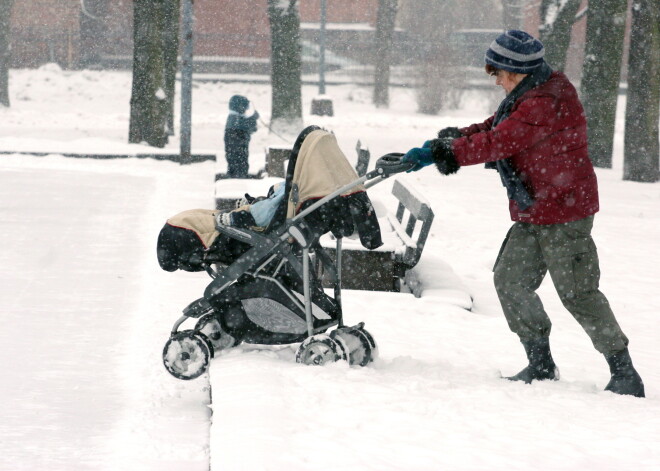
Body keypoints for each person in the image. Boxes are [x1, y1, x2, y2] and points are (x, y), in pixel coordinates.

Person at [402, 30, 644, 398]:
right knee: (510, 280)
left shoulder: (547, 100)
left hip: (564, 209)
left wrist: (446, 153)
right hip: (536, 207)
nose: (495, 79)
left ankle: (624, 372)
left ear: (515, 70)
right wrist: (439, 146)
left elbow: (500, 141)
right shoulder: (528, 93)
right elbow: (492, 128)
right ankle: (541, 363)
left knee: (578, 293)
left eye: (497, 71)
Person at [224, 94, 259, 178]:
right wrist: (254, 118)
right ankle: (238, 174)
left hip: (236, 145)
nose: (246, 109)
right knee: (238, 158)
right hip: (238, 145)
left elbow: (247, 126)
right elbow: (245, 126)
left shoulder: (235, 117)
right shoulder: (234, 118)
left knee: (236, 158)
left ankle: (236, 173)